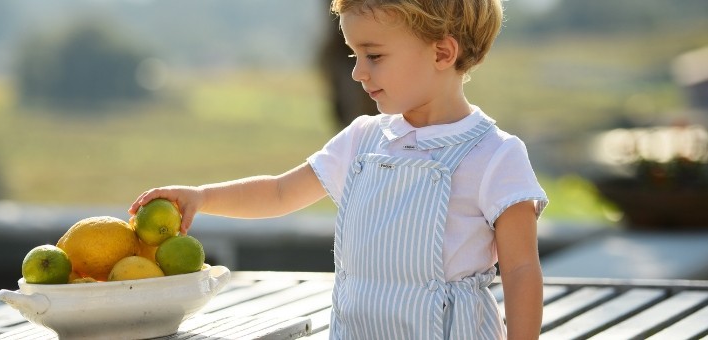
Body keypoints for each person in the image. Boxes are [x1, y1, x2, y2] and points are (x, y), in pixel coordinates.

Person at [129, 0, 548, 338]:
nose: (357, 72)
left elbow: (521, 269)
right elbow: (279, 193)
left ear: (442, 52)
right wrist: (202, 197)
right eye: (354, 54)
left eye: (374, 55)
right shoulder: (362, 138)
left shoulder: (494, 154)